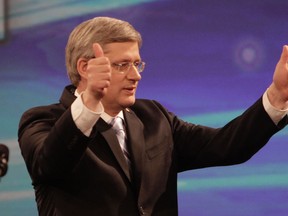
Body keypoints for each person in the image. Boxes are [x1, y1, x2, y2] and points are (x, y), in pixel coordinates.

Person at [18, 16, 288, 216]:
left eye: (137, 63)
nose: (136, 75)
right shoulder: (43, 121)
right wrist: (90, 99)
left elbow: (225, 146)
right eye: (122, 65)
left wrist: (277, 96)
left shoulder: (153, 117)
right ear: (86, 68)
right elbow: (49, 165)